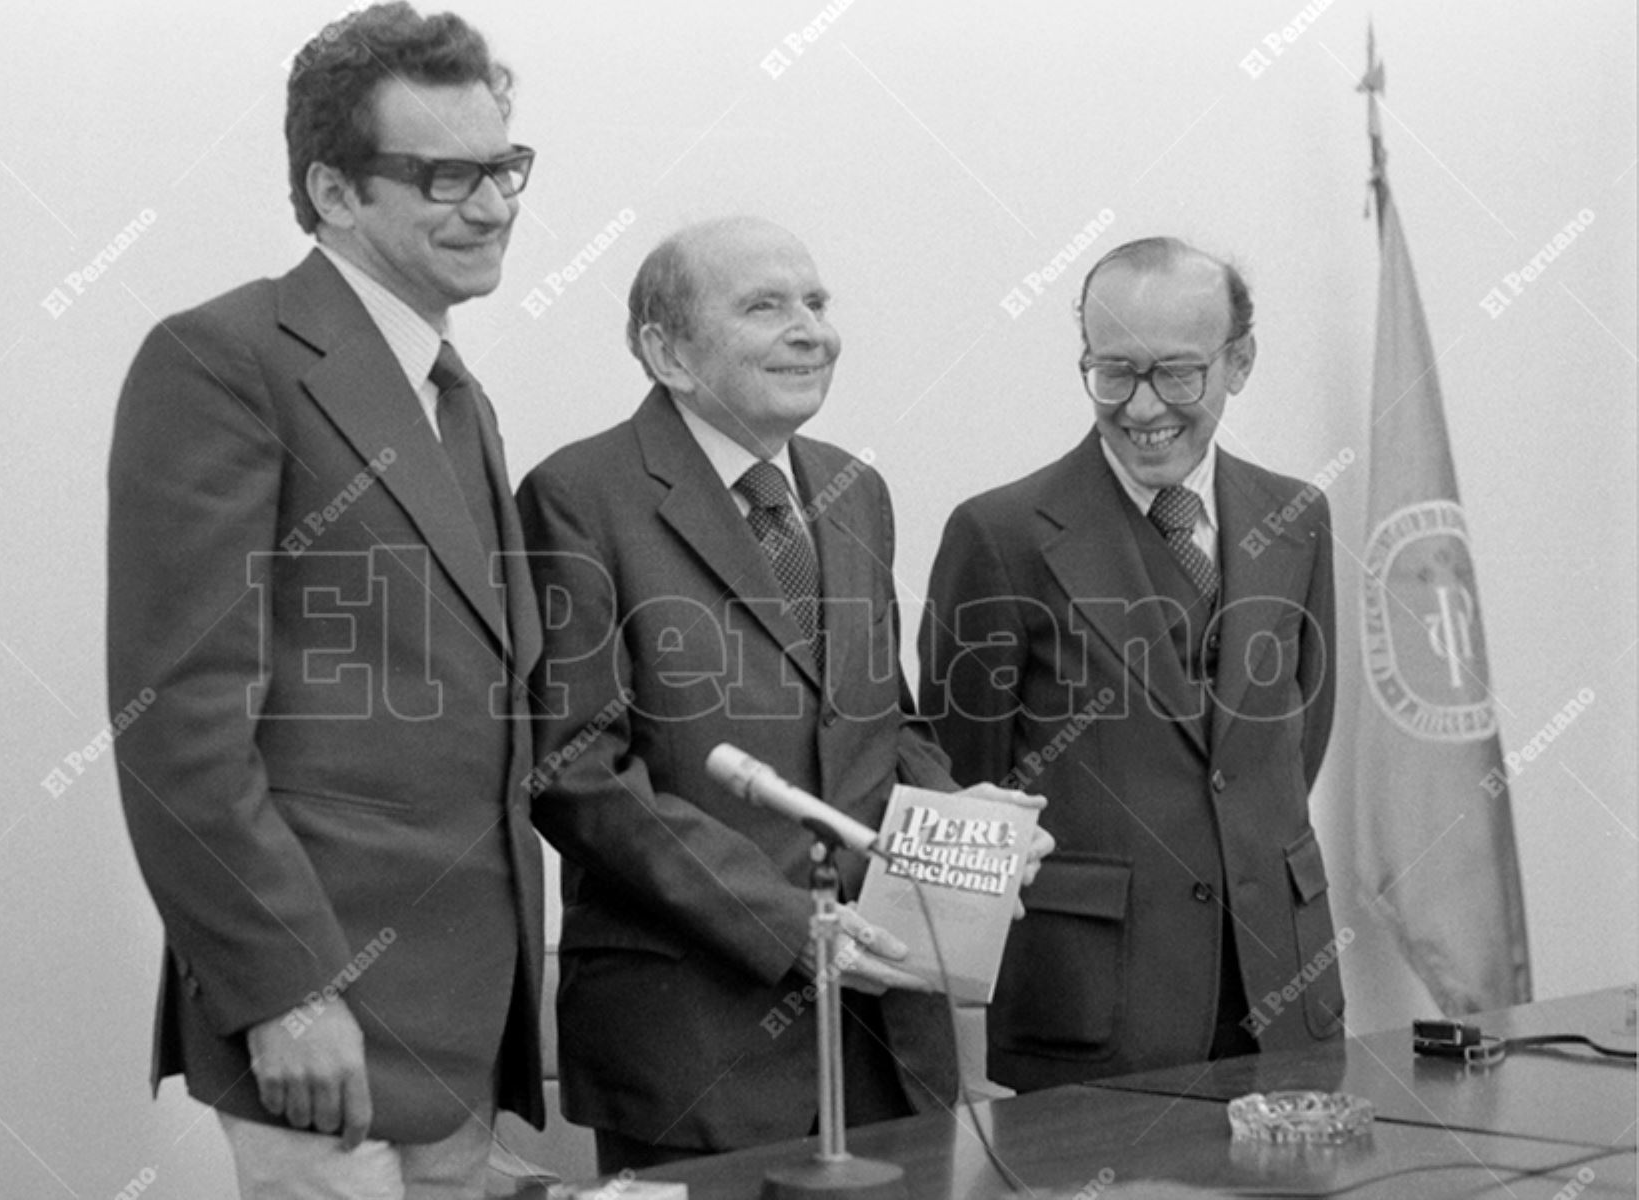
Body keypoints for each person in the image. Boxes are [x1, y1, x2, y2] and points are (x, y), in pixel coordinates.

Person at [107, 6, 547, 1194]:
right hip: (323, 1040)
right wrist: (285, 990)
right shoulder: (223, 360)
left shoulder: (457, 395)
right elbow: (178, 722)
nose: (495, 204)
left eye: (503, 166)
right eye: (446, 175)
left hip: (465, 1038)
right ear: (334, 191)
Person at [517, 217, 1051, 1172]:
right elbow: (578, 771)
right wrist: (785, 925)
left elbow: (891, 721)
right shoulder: (577, 494)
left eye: (816, 302)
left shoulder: (855, 490)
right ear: (666, 351)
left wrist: (956, 828)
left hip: (889, 1038)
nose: (812, 330)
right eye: (766, 306)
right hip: (699, 1045)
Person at [921, 237, 1343, 1094]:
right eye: (1114, 373)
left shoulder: (1296, 517)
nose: (1143, 406)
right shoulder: (1000, 536)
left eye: (1177, 374)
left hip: (1281, 994)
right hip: (1090, 1016)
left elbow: (1297, 741)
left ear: (1241, 361)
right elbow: (965, 788)